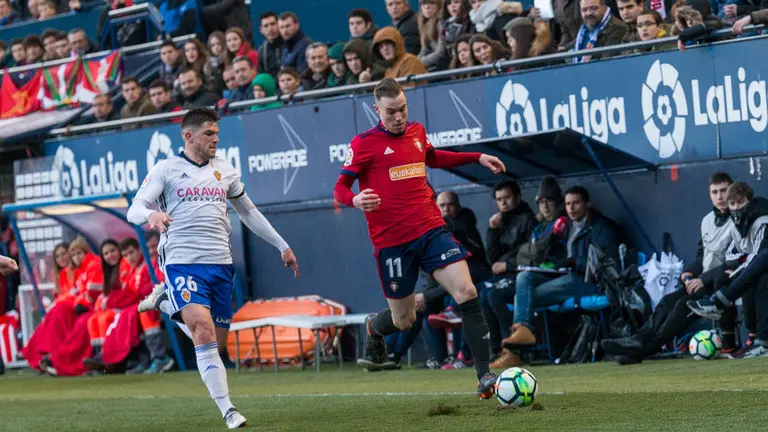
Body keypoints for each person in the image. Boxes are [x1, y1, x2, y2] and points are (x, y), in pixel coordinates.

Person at [332, 78, 506, 399]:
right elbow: (340, 188)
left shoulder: (416, 132)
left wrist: (476, 157)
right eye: (390, 113)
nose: (398, 118)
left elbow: (434, 157)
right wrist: (353, 200)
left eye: (402, 110)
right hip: (392, 244)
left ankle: (484, 375)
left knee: (466, 290)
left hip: (431, 230)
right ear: (377, 110)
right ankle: (375, 327)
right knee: (404, 318)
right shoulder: (363, 144)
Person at [128, 107, 299, 429]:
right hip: (182, 261)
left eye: (217, 134)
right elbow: (134, 208)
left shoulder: (225, 171)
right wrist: (150, 216)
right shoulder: (167, 169)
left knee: (213, 344)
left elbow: (248, 213)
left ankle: (165, 303)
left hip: (220, 264)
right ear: (189, 136)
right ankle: (229, 410)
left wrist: (282, 245)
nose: (215, 139)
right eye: (209, 133)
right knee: (202, 329)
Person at [602, 172, 734, 364]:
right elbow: (701, 257)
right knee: (666, 301)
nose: (720, 196)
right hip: (702, 282)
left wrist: (702, 279)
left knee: (682, 305)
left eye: (724, 191)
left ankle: (642, 349)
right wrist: (689, 272)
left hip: (724, 282)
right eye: (715, 192)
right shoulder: (706, 220)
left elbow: (734, 260)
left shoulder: (739, 218)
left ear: (732, 190)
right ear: (709, 194)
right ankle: (637, 340)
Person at [687, 182, 768, 358]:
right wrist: (742, 267)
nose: (737, 208)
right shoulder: (737, 226)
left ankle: (719, 302)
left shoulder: (763, 221)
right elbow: (730, 255)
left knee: (760, 273)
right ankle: (739, 341)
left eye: (741, 202)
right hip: (753, 269)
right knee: (727, 276)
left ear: (750, 202)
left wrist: (741, 270)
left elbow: (758, 256)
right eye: (733, 204)